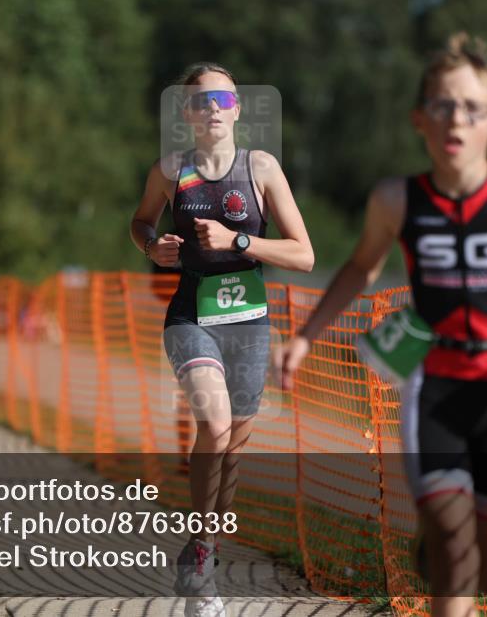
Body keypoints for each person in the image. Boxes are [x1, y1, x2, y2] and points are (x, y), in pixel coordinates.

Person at [278, 33, 487, 617]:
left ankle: (445, 546)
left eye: (472, 108)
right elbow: (360, 268)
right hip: (432, 387)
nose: (456, 119)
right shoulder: (396, 199)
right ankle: (442, 539)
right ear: (419, 119)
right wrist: (304, 336)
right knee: (453, 540)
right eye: (443, 105)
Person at [130, 62, 314, 617]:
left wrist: (239, 240)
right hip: (191, 314)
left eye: (224, 100)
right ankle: (201, 564)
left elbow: (303, 255)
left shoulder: (261, 168)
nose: (213, 108)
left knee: (233, 447)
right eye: (201, 101)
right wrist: (151, 246)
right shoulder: (170, 170)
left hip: (249, 320)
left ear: (238, 110)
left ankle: (202, 554)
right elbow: (140, 222)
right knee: (213, 424)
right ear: (186, 113)